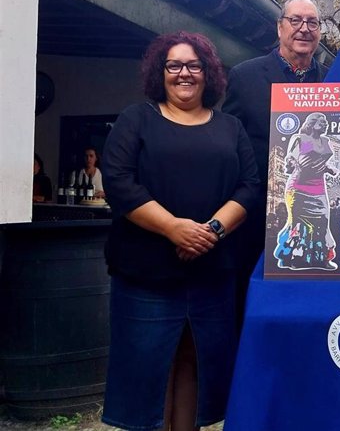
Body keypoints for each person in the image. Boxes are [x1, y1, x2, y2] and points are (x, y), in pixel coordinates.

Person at [101, 31, 259, 431]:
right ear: (161, 71)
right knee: (149, 372)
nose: (184, 73)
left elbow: (250, 185)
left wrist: (212, 231)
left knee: (194, 363)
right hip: (147, 275)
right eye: (174, 65)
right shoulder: (136, 119)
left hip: (212, 272)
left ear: (208, 74)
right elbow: (118, 181)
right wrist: (174, 228)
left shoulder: (230, 127)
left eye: (194, 65)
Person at [222, 0, 328, 317]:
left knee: (310, 306)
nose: (304, 29)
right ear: (279, 26)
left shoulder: (334, 83)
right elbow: (230, 146)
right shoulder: (244, 76)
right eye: (295, 20)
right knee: (252, 309)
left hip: (312, 209)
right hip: (254, 220)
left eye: (312, 23)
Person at [273, 112, 338, 270]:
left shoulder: (324, 140)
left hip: (318, 189)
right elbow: (301, 156)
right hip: (299, 188)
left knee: (322, 222)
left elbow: (319, 159)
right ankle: (295, 257)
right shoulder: (304, 139)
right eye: (322, 122)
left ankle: (321, 259)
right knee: (299, 224)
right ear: (312, 123)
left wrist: (328, 168)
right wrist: (292, 161)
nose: (325, 124)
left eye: (326, 122)